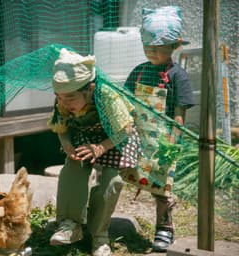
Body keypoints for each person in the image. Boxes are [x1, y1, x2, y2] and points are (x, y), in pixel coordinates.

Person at [47, 48, 141, 256]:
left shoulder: (107, 96)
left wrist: (100, 148)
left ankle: (99, 236)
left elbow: (125, 128)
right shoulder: (63, 99)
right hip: (84, 136)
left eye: (70, 98)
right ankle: (70, 225)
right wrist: (67, 145)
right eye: (59, 98)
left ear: (89, 89)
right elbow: (60, 128)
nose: (63, 103)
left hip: (115, 139)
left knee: (111, 182)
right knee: (73, 168)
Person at [124, 6, 194, 252]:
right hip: (138, 138)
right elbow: (127, 102)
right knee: (129, 176)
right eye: (147, 47)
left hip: (163, 142)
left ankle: (164, 228)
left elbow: (179, 114)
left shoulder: (178, 76)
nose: (151, 51)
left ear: (174, 46)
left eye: (158, 47)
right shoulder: (139, 72)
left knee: (161, 188)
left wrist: (172, 144)